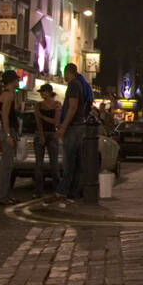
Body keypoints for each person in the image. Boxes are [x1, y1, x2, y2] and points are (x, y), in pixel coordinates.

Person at [54, 62, 93, 204]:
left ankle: (63, 191)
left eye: (64, 74)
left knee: (69, 161)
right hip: (79, 126)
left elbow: (72, 107)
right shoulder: (81, 84)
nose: (64, 76)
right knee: (77, 161)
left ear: (67, 72)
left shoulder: (73, 85)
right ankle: (74, 192)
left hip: (73, 127)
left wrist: (63, 126)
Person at [0, 71, 20, 205]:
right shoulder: (8, 95)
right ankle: (2, 196)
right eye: (16, 80)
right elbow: (5, 116)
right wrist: (8, 134)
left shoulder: (5, 94)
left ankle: (5, 195)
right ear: (11, 81)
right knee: (6, 165)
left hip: (8, 130)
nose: (18, 82)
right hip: (8, 131)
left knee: (8, 165)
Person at [33, 84, 61, 198]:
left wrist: (43, 117)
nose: (42, 94)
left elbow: (56, 121)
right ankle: (38, 191)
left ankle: (57, 189)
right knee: (39, 164)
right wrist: (40, 135)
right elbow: (38, 121)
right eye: (41, 92)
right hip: (41, 133)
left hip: (52, 134)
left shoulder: (57, 104)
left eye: (44, 92)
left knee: (54, 164)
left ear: (49, 93)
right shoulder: (38, 105)